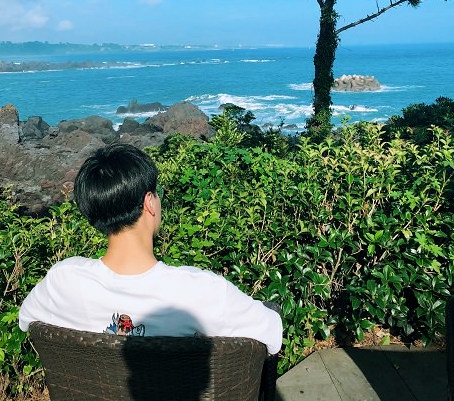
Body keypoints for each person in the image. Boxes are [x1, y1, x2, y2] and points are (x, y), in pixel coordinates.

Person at [18, 142, 282, 355]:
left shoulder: (62, 280)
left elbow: (27, 320)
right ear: (149, 203)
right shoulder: (202, 291)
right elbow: (272, 334)